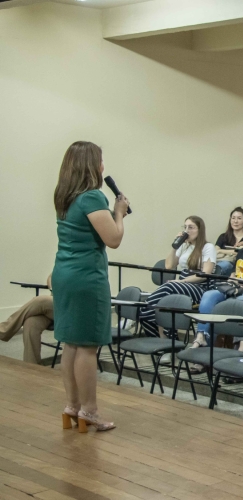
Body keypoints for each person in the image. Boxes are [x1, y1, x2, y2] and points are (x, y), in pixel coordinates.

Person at [53, 141, 128, 432]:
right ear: (92, 166)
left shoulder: (65, 196)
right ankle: (90, 411)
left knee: (70, 342)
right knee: (87, 346)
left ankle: (72, 407)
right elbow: (113, 239)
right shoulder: (92, 197)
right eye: (100, 161)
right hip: (87, 277)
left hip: (64, 273)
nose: (103, 166)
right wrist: (119, 211)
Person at [190, 218, 243, 351]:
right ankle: (201, 336)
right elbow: (233, 274)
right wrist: (233, 280)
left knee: (222, 309)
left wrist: (239, 281)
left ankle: (224, 350)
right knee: (209, 295)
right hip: (235, 288)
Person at [139, 216, 216, 338]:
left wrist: (182, 281)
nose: (187, 231)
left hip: (199, 287)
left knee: (170, 285)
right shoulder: (184, 246)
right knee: (166, 305)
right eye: (185, 227)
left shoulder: (208, 247)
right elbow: (169, 266)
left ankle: (144, 308)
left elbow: (205, 274)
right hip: (182, 285)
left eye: (191, 227)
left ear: (200, 230)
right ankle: (162, 341)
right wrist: (175, 245)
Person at [0, 275, 53, 364]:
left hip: (74, 309)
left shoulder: (82, 264)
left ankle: (3, 330)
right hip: (56, 308)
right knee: (31, 323)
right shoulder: (63, 263)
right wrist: (52, 288)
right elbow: (51, 276)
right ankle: (32, 367)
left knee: (41, 300)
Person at [214, 207, 243, 276]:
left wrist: (222, 251)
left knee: (224, 265)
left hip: (239, 267)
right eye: (233, 218)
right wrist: (232, 252)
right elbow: (216, 251)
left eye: (239, 218)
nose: (235, 221)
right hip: (218, 262)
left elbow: (241, 253)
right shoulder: (223, 236)